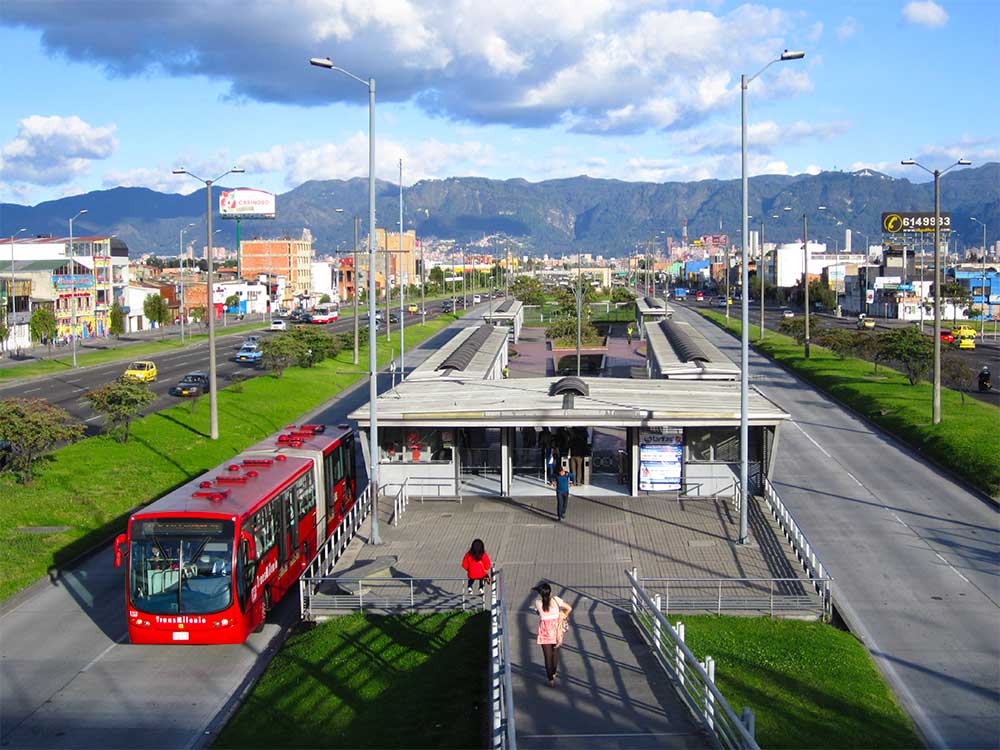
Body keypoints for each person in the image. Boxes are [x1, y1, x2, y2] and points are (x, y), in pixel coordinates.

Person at [532, 582, 572, 687]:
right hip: (556, 630)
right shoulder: (556, 600)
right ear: (550, 592)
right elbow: (569, 608)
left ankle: (550, 680)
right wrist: (563, 615)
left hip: (544, 631)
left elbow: (539, 612)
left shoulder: (537, 603)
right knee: (555, 653)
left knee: (547, 656)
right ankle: (554, 673)